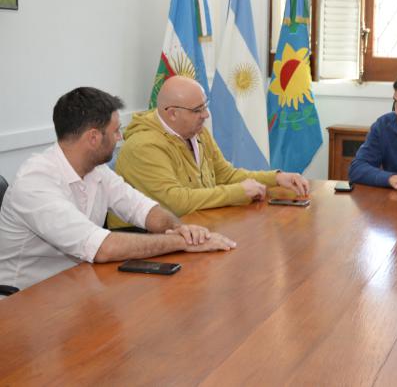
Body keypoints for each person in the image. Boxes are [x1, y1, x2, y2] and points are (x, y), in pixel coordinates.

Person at [0, 87, 237, 291]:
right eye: (115, 131)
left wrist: (182, 229)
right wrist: (182, 243)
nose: (121, 137)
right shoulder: (35, 183)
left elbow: (143, 209)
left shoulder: (96, 170)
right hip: (24, 300)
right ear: (93, 137)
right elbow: (103, 247)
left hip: (76, 285)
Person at [110, 76, 309, 227]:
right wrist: (239, 192)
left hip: (191, 226)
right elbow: (175, 202)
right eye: (197, 110)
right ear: (172, 114)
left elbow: (226, 175)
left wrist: (276, 178)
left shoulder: (197, 131)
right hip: (145, 239)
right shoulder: (144, 146)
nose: (205, 115)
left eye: (205, 106)